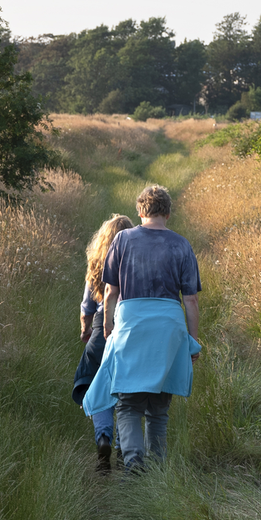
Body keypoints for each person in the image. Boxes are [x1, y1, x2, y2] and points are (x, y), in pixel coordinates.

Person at [81, 184, 202, 474]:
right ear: (168, 213)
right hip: (169, 326)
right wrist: (192, 341)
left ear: (140, 211)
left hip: (131, 325)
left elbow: (110, 291)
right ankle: (157, 469)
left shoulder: (122, 239)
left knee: (129, 403)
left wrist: (108, 326)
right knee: (159, 407)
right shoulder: (181, 245)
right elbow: (191, 299)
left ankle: (133, 465)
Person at [73, 213, 134, 473]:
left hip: (101, 327)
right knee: (126, 388)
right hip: (130, 326)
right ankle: (122, 447)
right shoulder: (134, 260)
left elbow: (87, 307)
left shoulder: (97, 262)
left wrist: (86, 330)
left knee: (97, 386)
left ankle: (103, 437)